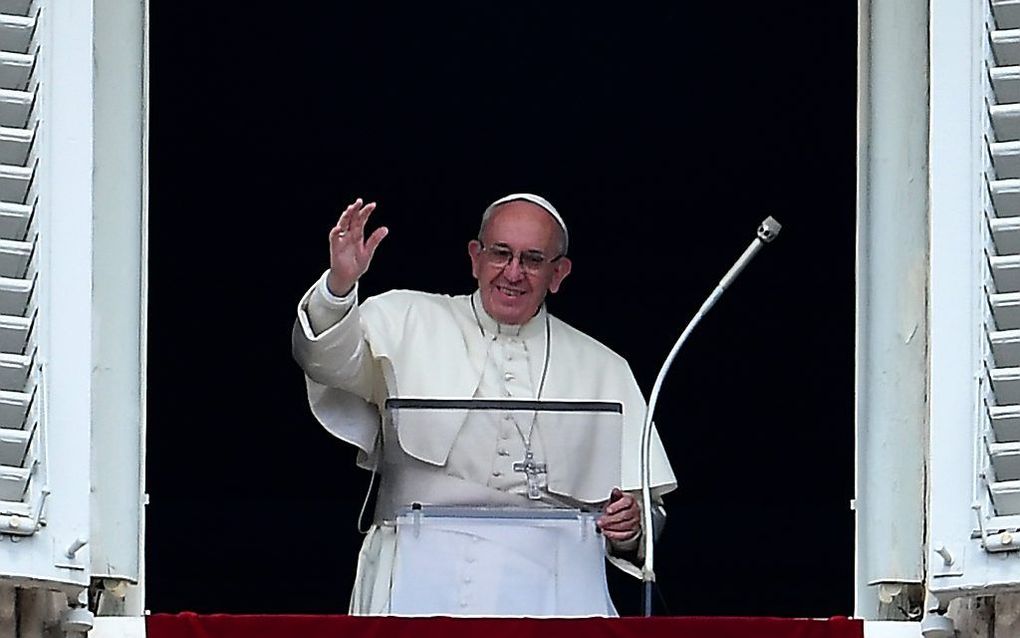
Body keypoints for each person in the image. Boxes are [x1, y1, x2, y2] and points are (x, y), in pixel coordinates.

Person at [292, 193, 676, 616]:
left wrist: (631, 526)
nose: (513, 273)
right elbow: (324, 359)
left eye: (532, 259)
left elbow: (646, 516)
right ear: (475, 257)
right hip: (417, 575)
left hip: (558, 589)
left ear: (558, 273)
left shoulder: (604, 366)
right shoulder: (407, 318)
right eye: (500, 254)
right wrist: (339, 286)